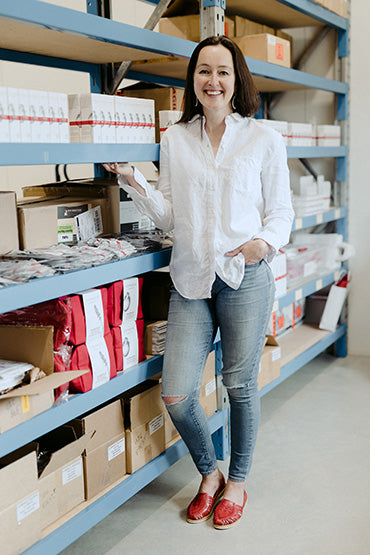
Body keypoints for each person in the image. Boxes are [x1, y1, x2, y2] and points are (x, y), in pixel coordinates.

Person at [103, 35, 294, 530]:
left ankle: (238, 481)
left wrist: (263, 243)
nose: (213, 80)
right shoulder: (176, 138)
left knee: (239, 385)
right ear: (192, 80)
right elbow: (170, 213)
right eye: (204, 71)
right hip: (191, 278)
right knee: (176, 392)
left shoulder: (263, 139)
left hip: (244, 276)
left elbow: (281, 211)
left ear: (237, 80)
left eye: (223, 72)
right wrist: (132, 179)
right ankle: (209, 473)